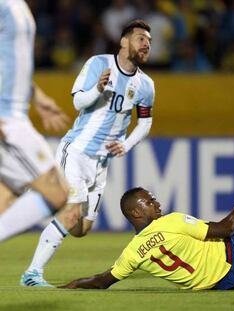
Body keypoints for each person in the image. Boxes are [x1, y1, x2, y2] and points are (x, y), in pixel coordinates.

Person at [21, 19, 155, 287]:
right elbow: (77, 101)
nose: (146, 45)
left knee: (82, 229)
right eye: (141, 38)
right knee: (71, 215)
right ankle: (32, 274)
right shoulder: (99, 64)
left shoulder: (146, 85)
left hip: (101, 163)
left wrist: (126, 145)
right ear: (124, 41)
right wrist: (97, 89)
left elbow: (145, 122)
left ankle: (44, 195)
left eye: (149, 42)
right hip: (78, 151)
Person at [60, 187, 234, 290]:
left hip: (224, 284)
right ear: (136, 212)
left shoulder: (133, 252)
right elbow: (227, 228)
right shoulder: (170, 221)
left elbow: (101, 281)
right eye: (150, 201)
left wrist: (66, 288)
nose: (156, 203)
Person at [0, 0, 70, 241]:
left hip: (14, 114)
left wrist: (35, 95)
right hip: (7, 120)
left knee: (6, 196)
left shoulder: (16, 7)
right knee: (56, 192)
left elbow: (9, 62)